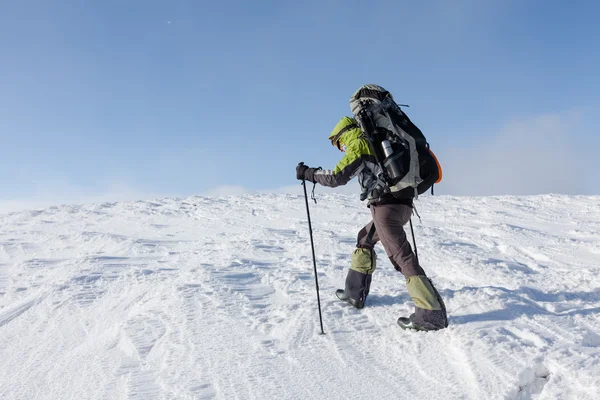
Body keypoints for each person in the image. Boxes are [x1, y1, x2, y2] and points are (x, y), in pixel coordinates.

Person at [296, 116, 448, 331]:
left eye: (338, 144)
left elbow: (337, 177)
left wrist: (308, 174)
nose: (341, 149)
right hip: (401, 207)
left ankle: (431, 315)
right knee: (364, 238)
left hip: (385, 210)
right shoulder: (382, 140)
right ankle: (354, 293)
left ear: (342, 135)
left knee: (403, 258)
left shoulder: (359, 142)